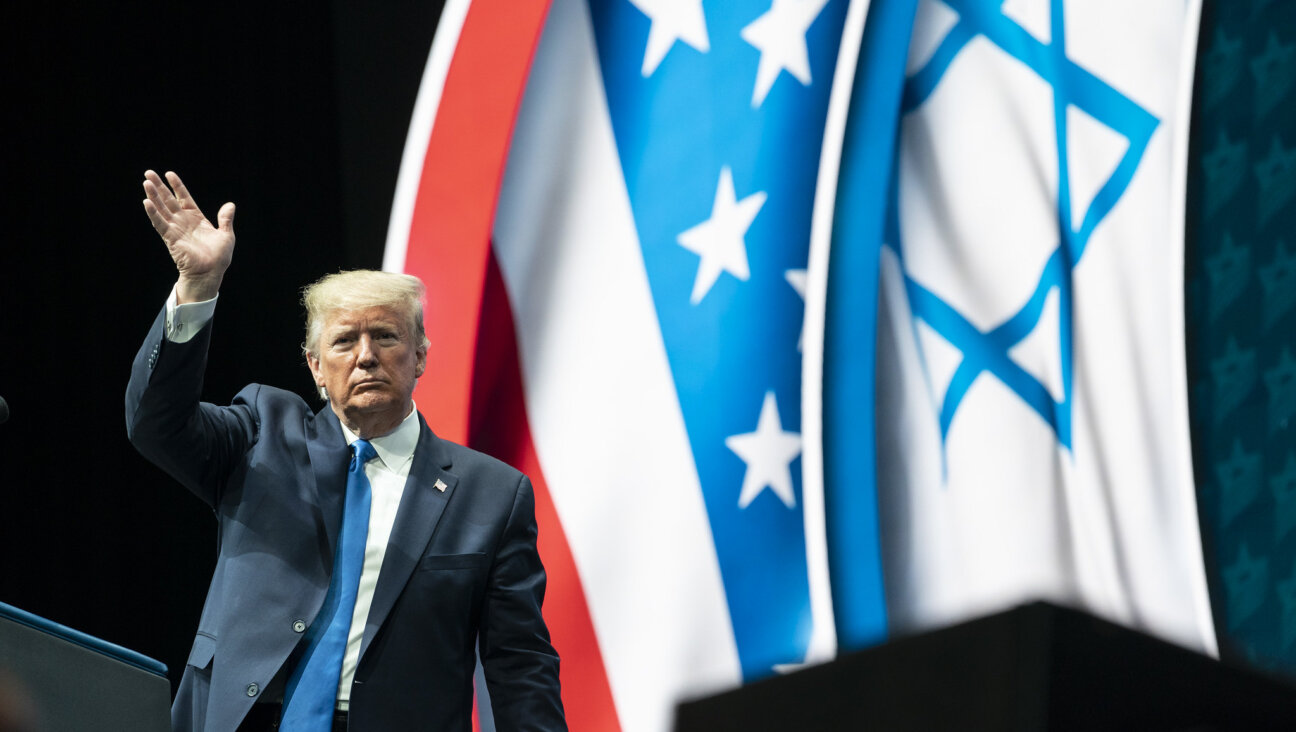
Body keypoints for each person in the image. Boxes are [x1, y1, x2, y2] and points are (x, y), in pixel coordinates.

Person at [126, 171, 566, 732]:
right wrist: (198, 287)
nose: (365, 357)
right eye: (343, 341)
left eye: (385, 336)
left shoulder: (491, 495)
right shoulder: (262, 432)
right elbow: (155, 425)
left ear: (421, 355)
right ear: (314, 366)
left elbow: (519, 662)